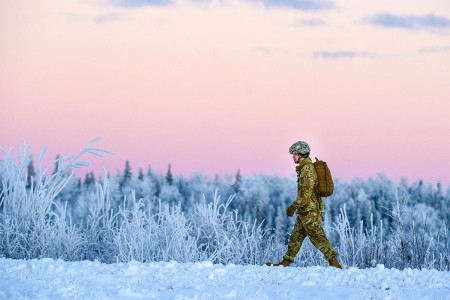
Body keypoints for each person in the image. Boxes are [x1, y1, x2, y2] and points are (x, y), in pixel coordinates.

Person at [267, 141, 342, 269]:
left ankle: (335, 264)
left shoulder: (307, 170)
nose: (293, 156)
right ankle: (285, 263)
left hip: (310, 211)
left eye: (295, 154)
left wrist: (293, 206)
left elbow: (306, 194)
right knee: (295, 237)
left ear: (302, 154)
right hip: (305, 210)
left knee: (317, 237)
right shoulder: (303, 169)